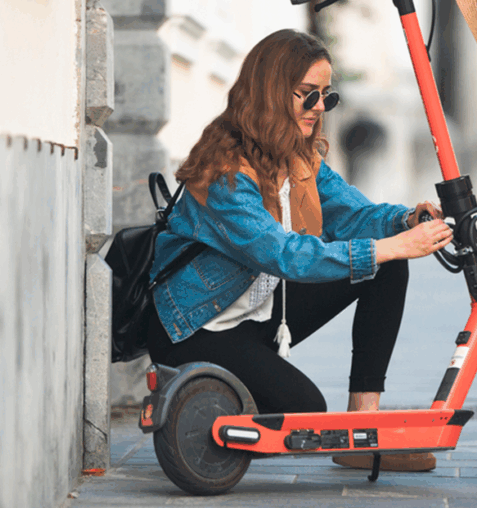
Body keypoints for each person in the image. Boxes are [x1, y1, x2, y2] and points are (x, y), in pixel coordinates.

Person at [146, 29, 454, 472]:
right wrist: (390, 245)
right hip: (196, 327)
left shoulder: (297, 157)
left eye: (326, 97)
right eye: (307, 95)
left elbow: (350, 213)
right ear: (271, 92)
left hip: (256, 313)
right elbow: (284, 255)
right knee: (305, 408)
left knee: (386, 266)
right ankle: (202, 401)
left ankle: (361, 431)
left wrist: (405, 221)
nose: (318, 109)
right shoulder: (225, 173)